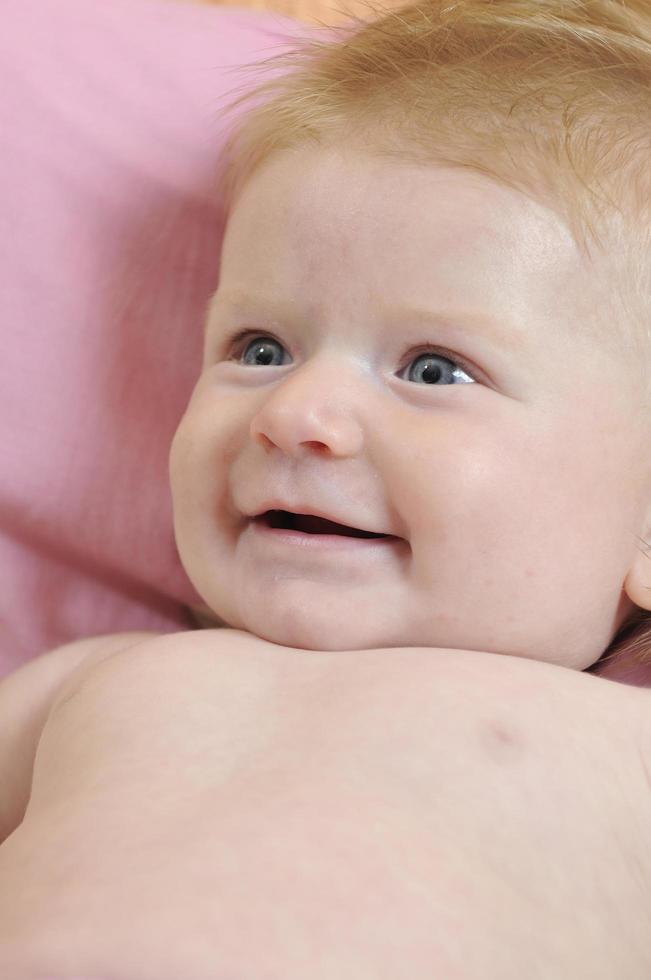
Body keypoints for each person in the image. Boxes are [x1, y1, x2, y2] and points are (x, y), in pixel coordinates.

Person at [1, 0, 651, 975]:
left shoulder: (627, 749)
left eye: (433, 369)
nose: (297, 409)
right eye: (260, 348)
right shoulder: (83, 685)